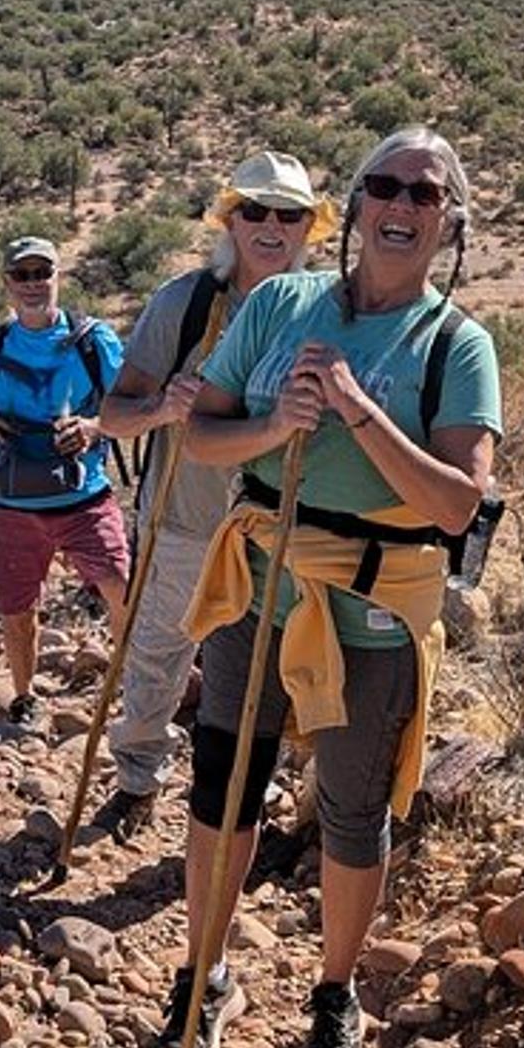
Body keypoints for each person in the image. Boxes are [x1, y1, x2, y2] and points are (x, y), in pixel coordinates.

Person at [156, 126, 502, 1048]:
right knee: (223, 782)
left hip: (374, 610)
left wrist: (357, 409)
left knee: (352, 811)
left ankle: (334, 995)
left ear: (448, 223)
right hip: (256, 593)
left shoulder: (456, 346)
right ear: (352, 210)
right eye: (383, 186)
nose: (400, 205)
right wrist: (276, 426)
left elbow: (456, 501)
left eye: (423, 194)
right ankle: (205, 973)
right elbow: (205, 437)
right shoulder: (280, 305)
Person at [94, 152, 334, 845]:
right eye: (254, 210)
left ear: (308, 228)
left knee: (295, 668)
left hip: (284, 531)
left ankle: (278, 807)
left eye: (288, 213)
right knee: (157, 657)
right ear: (230, 220)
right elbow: (114, 414)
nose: (270, 225)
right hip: (187, 521)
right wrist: (164, 407)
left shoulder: (327, 312)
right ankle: (137, 780)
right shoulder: (186, 304)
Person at [0, 236, 130, 731]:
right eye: (22, 275)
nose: (33, 284)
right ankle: (25, 698)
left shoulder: (96, 342)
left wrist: (93, 428)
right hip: (7, 504)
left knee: (120, 587)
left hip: (84, 496)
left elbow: (129, 410)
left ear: (58, 275)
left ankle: (133, 686)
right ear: (7, 284)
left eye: (42, 273)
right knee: (17, 607)